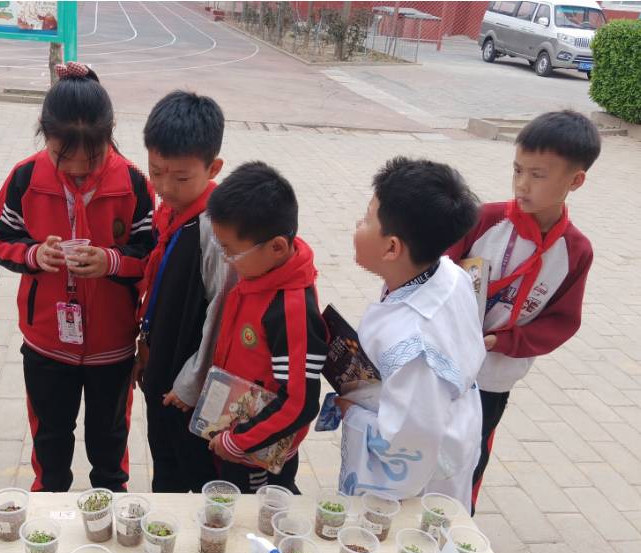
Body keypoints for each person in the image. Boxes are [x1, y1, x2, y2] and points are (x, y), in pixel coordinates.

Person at [0, 62, 154, 493]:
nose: (78, 167)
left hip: (112, 345)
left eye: (92, 157)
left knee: (109, 444)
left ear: (109, 135)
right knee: (50, 441)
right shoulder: (26, 177)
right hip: (46, 342)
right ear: (45, 134)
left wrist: (111, 262)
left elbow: (151, 254)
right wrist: (34, 254)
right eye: (64, 155)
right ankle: (48, 508)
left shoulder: (133, 183)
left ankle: (109, 506)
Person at [446, 110, 599, 513]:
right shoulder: (485, 219)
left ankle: (457, 522)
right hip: (444, 357)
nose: (522, 184)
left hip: (493, 374)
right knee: (425, 440)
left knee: (470, 455)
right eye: (517, 170)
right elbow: (437, 272)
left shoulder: (575, 251)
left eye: (538, 175)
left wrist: (506, 341)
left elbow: (562, 321)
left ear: (575, 181)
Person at [336, 157, 484, 512]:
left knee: (403, 527)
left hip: (426, 454)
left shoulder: (413, 346)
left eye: (367, 218)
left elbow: (406, 441)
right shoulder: (448, 272)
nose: (358, 224)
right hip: (446, 415)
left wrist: (351, 411)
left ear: (392, 248)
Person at [207, 162, 327, 493]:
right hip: (238, 434)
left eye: (231, 251)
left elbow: (299, 403)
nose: (226, 259)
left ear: (276, 247)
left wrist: (238, 441)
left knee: (257, 512)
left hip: (257, 454)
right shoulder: (259, 276)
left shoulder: (291, 310)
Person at [137, 90, 236, 493]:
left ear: (213, 168)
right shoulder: (171, 212)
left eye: (180, 178)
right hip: (162, 367)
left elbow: (221, 311)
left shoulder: (215, 229)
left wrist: (192, 383)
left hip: (189, 387)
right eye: (155, 171)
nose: (164, 186)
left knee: (191, 474)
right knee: (164, 464)